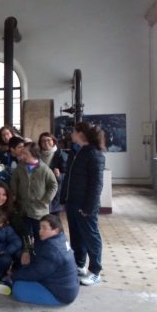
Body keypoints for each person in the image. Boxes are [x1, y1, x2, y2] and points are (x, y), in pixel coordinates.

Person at [0, 214, 79, 306]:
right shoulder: (59, 238)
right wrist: (29, 254)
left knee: (19, 289)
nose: (40, 231)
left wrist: (14, 275)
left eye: (44, 228)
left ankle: (9, 284)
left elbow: (36, 273)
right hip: (67, 286)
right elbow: (38, 256)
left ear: (56, 230)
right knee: (24, 263)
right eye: (40, 227)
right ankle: (10, 282)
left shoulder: (52, 251)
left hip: (60, 294)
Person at [60, 122, 106, 286]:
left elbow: (96, 184)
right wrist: (64, 198)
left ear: (81, 134)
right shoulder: (75, 151)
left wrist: (89, 207)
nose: (71, 133)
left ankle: (95, 271)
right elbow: (69, 177)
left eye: (73, 131)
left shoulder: (94, 154)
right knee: (76, 235)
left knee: (91, 236)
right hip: (72, 201)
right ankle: (79, 265)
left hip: (85, 204)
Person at [10, 142, 58, 244]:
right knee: (25, 234)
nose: (22, 155)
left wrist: (46, 200)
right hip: (23, 209)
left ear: (34, 153)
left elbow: (53, 185)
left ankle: (39, 253)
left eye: (25, 153)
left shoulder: (44, 169)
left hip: (39, 211)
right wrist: (13, 195)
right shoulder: (20, 167)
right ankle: (27, 252)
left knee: (39, 235)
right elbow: (13, 181)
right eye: (22, 153)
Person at [38, 132, 68, 215]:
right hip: (40, 191)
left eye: (48, 140)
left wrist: (59, 175)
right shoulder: (38, 155)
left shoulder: (61, 155)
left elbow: (67, 175)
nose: (46, 142)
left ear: (54, 141)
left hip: (54, 191)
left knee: (53, 219)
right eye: (43, 141)